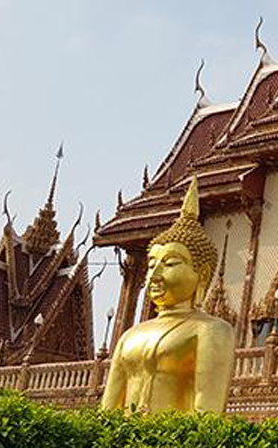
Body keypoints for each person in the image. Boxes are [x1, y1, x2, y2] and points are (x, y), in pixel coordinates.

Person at [101, 177, 235, 414]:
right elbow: (107, 412)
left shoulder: (210, 331)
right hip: (121, 434)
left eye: (171, 263)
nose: (154, 275)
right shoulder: (130, 336)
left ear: (202, 274)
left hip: (173, 436)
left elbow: (207, 413)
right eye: (152, 265)